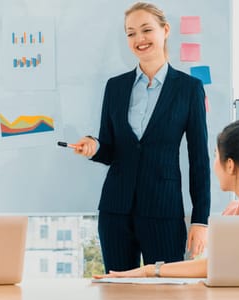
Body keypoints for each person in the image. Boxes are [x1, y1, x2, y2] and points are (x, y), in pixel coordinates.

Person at [74, 1, 210, 272]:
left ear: (165, 30)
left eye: (146, 29)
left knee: (166, 297)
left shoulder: (189, 89)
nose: (139, 39)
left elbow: (199, 159)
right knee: (117, 294)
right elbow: (110, 150)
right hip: (115, 210)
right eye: (131, 33)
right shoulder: (115, 87)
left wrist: (200, 221)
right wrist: (94, 147)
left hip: (164, 210)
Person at [94, 119, 239, 279]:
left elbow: (220, 265)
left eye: (215, 156)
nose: (213, 165)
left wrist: (149, 271)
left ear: (230, 165)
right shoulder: (232, 213)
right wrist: (146, 272)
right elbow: (213, 265)